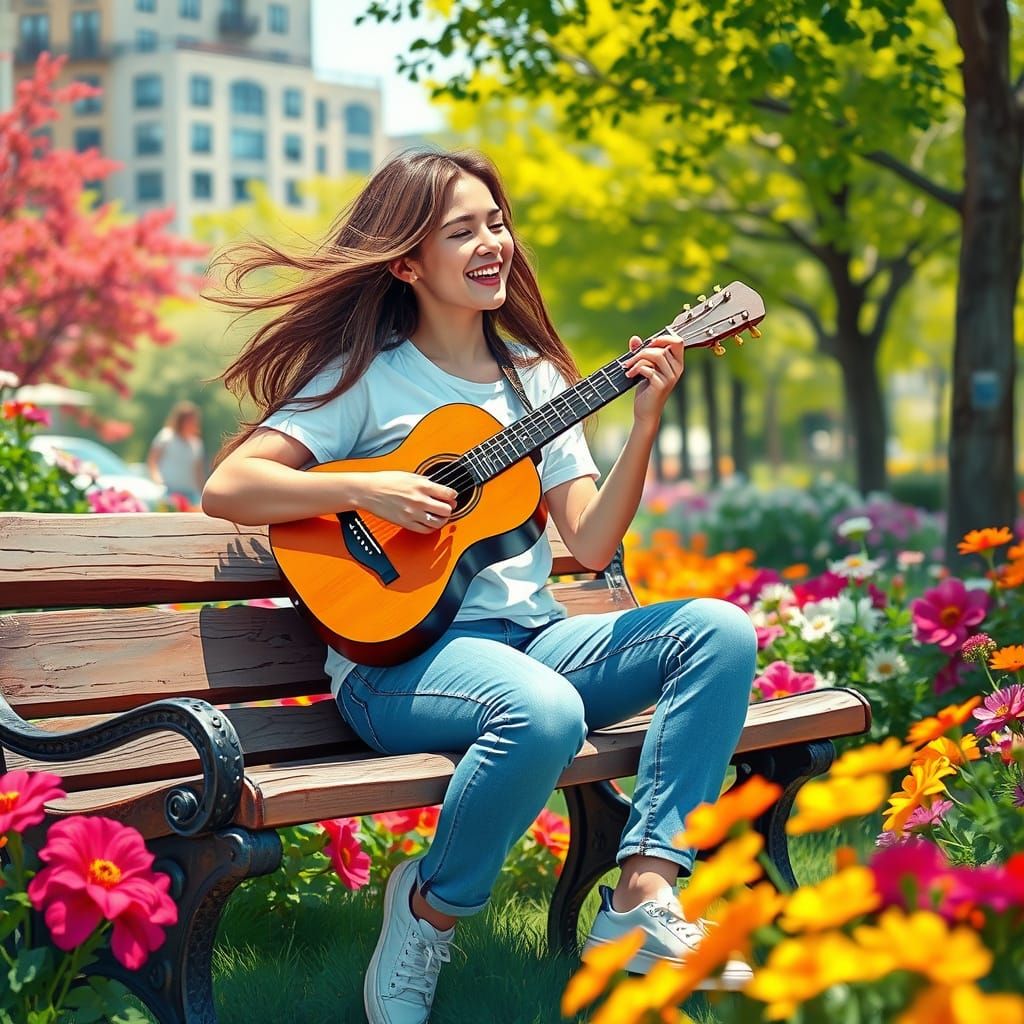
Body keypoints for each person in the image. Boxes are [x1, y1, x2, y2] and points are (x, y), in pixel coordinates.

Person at [201, 148, 757, 1024]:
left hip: (531, 644)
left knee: (719, 632)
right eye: (462, 230)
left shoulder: (537, 381)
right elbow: (227, 489)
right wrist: (363, 485)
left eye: (496, 222)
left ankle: (642, 897)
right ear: (406, 262)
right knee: (542, 712)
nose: (491, 242)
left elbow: (592, 536)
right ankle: (428, 911)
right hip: (396, 666)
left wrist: (643, 421)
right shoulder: (365, 376)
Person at [148, 400, 206, 508]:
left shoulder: (196, 443)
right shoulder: (166, 436)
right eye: (189, 420)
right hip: (169, 492)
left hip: (190, 494)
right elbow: (152, 461)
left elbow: (198, 472)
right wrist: (157, 480)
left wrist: (203, 493)